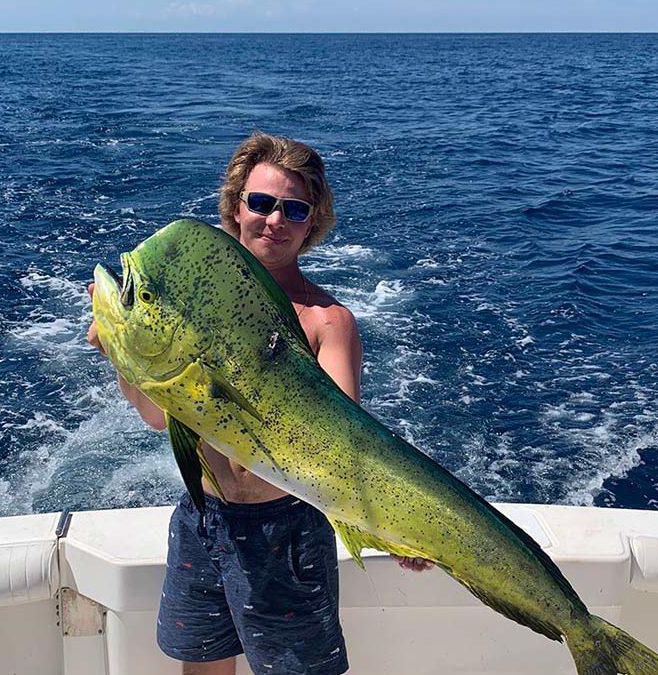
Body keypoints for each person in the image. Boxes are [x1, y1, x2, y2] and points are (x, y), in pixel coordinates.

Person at [86, 132, 430, 675]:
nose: (275, 220)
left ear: (312, 223)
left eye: (294, 209)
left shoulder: (327, 323)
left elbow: (345, 448)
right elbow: (158, 417)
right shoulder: (185, 314)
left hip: (288, 535)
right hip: (203, 521)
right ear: (235, 208)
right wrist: (121, 353)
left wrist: (396, 523)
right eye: (261, 203)